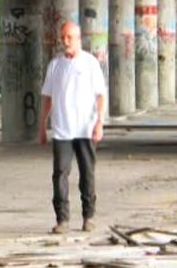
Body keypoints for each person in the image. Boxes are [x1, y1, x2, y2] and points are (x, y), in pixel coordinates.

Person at [39, 21, 106, 234]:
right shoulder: (55, 65)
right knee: (60, 174)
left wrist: (99, 122)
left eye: (69, 37)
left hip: (85, 129)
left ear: (78, 39)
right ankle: (63, 219)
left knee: (87, 173)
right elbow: (47, 97)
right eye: (63, 37)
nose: (65, 41)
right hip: (62, 130)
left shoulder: (90, 63)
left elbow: (100, 95)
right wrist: (42, 125)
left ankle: (88, 216)